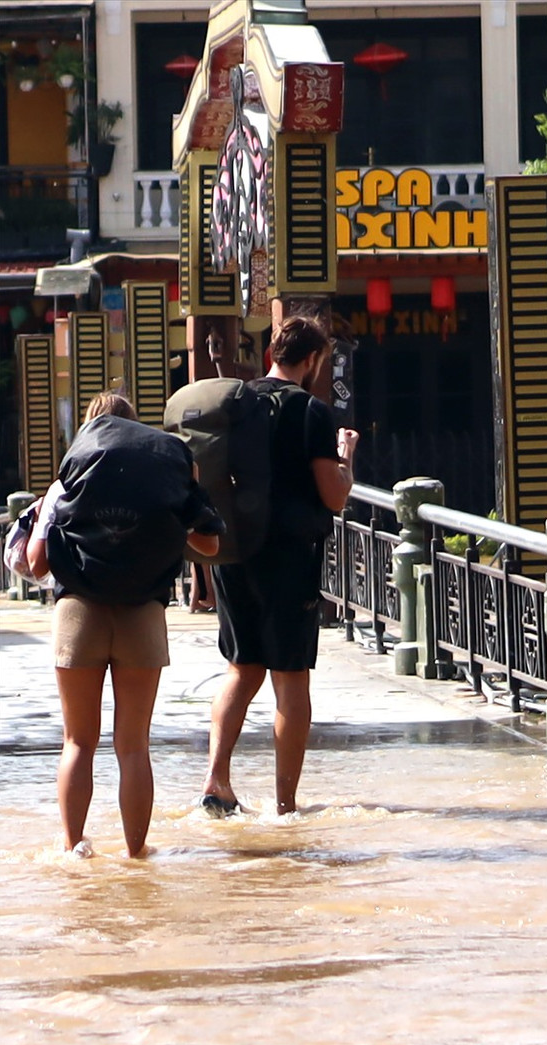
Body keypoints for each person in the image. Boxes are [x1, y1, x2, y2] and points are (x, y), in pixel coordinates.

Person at [24, 391, 225, 857]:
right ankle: (137, 854)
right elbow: (210, 547)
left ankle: (75, 847)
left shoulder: (65, 483)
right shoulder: (163, 477)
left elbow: (35, 565)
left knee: (78, 741)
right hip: (142, 613)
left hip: (79, 612)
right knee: (133, 745)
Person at [201, 316, 359, 817]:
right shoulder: (310, 411)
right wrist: (346, 460)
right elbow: (333, 498)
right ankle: (286, 805)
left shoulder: (238, 402)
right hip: (289, 558)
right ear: (312, 360)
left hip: (234, 554)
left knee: (241, 670)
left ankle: (216, 780)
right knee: (290, 679)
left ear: (272, 352)